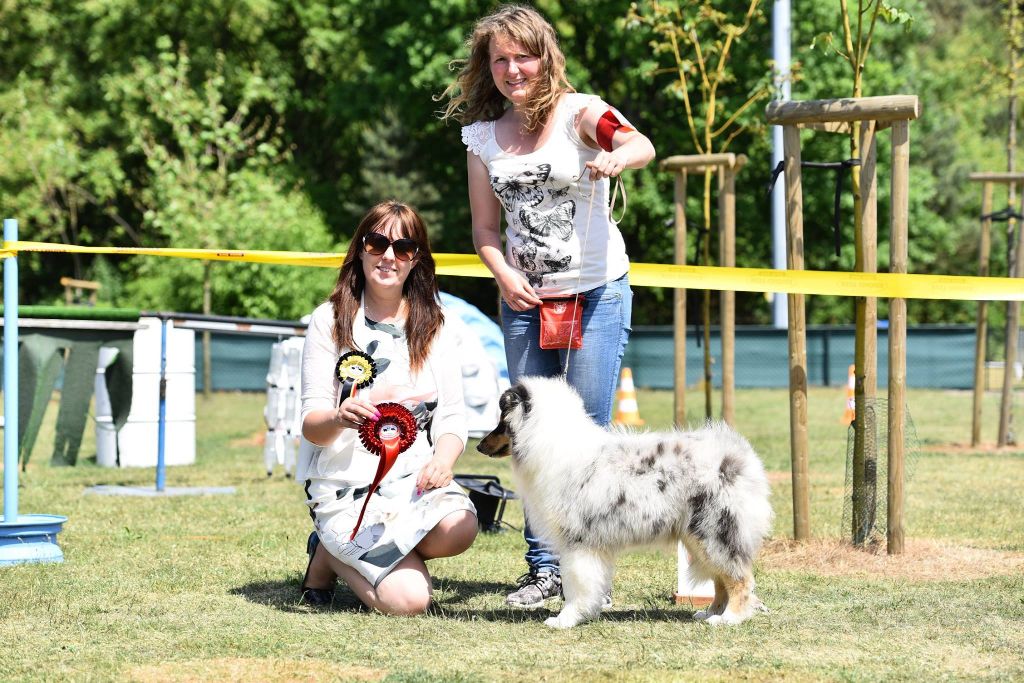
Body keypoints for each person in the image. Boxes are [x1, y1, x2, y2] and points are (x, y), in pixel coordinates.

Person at [439, 4, 656, 608]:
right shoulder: (482, 139)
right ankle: (543, 570)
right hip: (526, 302)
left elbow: (639, 143)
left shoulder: (581, 113)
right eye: (500, 59)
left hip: (595, 296)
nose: (513, 69)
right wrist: (504, 275)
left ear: (545, 57)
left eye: (523, 56)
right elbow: (485, 230)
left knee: (586, 436)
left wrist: (615, 157)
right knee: (530, 436)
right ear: (489, 66)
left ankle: (592, 575)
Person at [297, 200, 478, 615]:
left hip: (412, 481)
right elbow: (311, 425)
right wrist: (339, 418)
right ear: (360, 249)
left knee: (461, 526)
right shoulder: (328, 320)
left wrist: (444, 461)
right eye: (377, 243)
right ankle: (334, 548)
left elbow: (452, 415)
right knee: (410, 602)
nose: (389, 257)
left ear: (417, 261)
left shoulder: (438, 324)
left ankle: (343, 553)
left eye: (404, 248)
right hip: (345, 486)